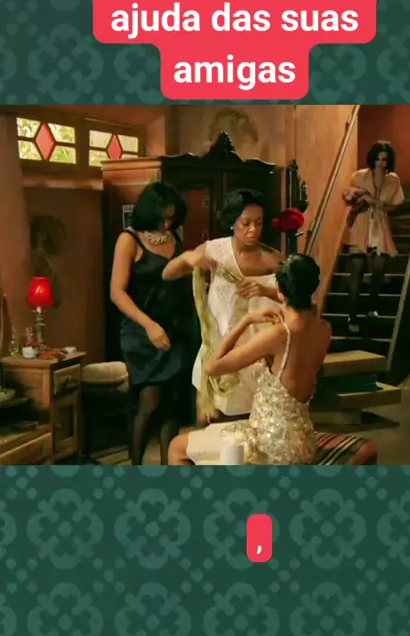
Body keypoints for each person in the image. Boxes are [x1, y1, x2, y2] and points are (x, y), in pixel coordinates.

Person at [168, 255, 331, 466]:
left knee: (177, 447)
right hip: (303, 443)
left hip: (270, 446)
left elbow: (212, 367)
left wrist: (246, 321)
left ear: (280, 291)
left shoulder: (279, 335)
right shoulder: (324, 329)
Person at [162, 188, 281, 423]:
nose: (253, 230)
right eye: (246, 223)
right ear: (232, 222)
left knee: (253, 422)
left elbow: (297, 298)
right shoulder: (215, 250)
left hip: (256, 351)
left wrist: (265, 290)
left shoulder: (273, 259)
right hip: (218, 345)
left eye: (258, 223)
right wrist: (188, 258)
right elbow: (168, 273)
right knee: (209, 421)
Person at [110, 181, 190, 464]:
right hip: (141, 332)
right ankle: (135, 470)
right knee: (149, 403)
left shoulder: (175, 236)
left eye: (172, 218)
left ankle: (171, 469)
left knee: (172, 407)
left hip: (174, 330)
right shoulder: (129, 239)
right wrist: (149, 325)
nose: (167, 225)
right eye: (162, 218)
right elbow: (117, 293)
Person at [343, 141, 404, 334]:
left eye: (384, 159)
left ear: (389, 161)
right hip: (360, 225)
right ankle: (352, 316)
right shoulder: (359, 176)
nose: (380, 163)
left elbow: (395, 205)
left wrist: (376, 203)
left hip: (379, 228)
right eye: (377, 159)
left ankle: (372, 306)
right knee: (357, 271)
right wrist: (361, 198)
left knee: (378, 268)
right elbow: (348, 199)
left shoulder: (393, 180)